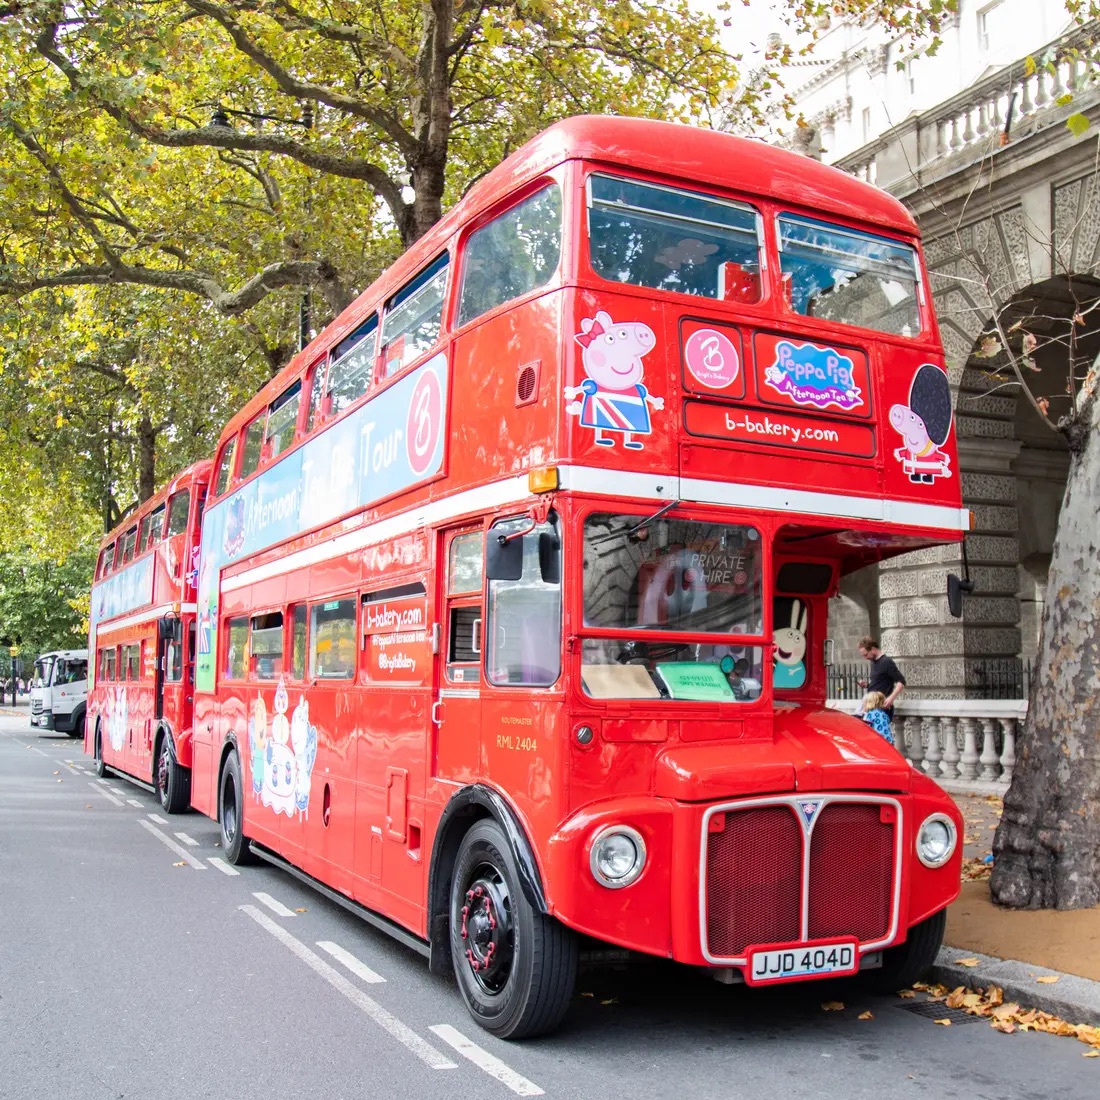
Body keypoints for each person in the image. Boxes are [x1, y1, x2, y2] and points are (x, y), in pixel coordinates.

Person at [857, 635, 906, 720]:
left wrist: (891, 698)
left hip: (881, 707)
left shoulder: (887, 662)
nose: (865, 658)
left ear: (873, 649)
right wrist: (868, 685)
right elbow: (881, 683)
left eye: (866, 655)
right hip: (871, 706)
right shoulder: (874, 662)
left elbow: (901, 682)